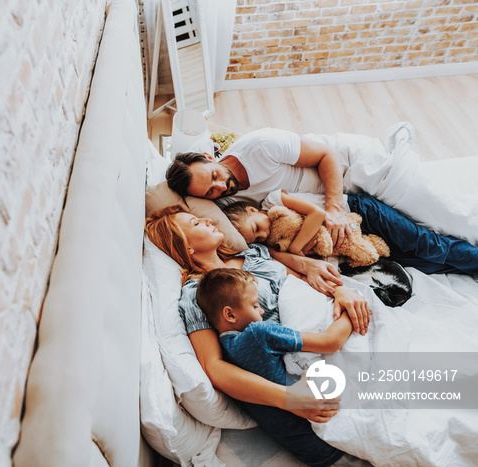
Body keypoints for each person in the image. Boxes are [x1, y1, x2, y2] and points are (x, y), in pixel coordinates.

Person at [144, 205, 370, 467]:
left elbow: (303, 283)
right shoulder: (199, 294)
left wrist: (340, 292)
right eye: (196, 223)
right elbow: (214, 367)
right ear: (187, 248)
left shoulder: (252, 255)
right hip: (296, 370)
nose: (207, 219)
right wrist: (289, 399)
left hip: (325, 326)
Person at [196, 267, 354, 467]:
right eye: (255, 305)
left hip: (310, 451)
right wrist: (351, 309)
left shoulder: (225, 354)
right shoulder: (257, 333)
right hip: (332, 439)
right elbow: (330, 341)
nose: (262, 311)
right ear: (230, 314)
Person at [166, 128, 354, 247]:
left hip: (345, 169)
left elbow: (327, 154)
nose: (221, 186)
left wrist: (335, 209)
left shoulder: (261, 146)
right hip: (331, 203)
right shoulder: (225, 203)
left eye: (214, 175)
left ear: (209, 157)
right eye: (210, 191)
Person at [224, 189, 478, 276]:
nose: (264, 234)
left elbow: (318, 214)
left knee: (426, 246)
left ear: (252, 209)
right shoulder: (273, 240)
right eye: (257, 238)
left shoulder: (272, 202)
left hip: (363, 213)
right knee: (420, 263)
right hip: (359, 238)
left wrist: (295, 249)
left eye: (257, 228)